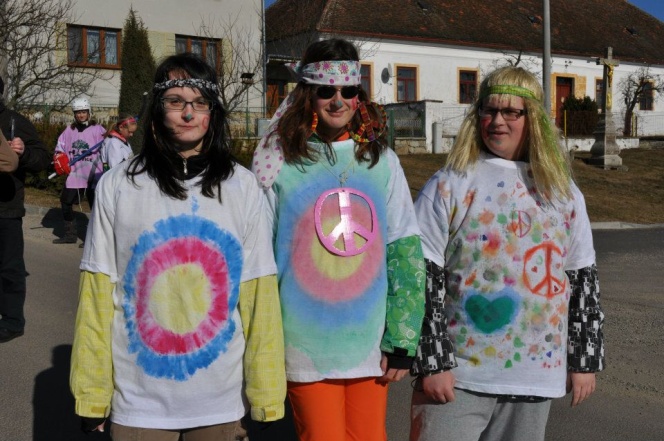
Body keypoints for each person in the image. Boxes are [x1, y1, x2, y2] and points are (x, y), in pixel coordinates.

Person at [70, 53, 286, 440]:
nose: (188, 113)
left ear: (212, 113)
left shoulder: (242, 186)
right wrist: (92, 395)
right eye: (175, 101)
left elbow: (259, 295)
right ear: (158, 108)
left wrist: (266, 393)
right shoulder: (118, 184)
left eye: (200, 102)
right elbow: (97, 295)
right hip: (139, 404)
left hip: (220, 402)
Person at [410, 66, 605, 441]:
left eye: (511, 112)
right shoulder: (452, 182)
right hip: (458, 376)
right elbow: (421, 272)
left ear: (533, 120)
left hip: (533, 377)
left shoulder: (562, 192)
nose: (497, 121)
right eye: (489, 110)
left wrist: (584, 359)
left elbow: (582, 278)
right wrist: (432, 360)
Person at [252, 38, 426, 441]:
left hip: (369, 343)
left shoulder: (380, 160)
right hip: (304, 342)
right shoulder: (279, 162)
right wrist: (263, 341)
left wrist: (402, 336)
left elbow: (404, 249)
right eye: (325, 91)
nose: (338, 101)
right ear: (307, 94)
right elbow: (258, 257)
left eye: (348, 90)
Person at [0, 75, 51, 343]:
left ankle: (12, 321)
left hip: (6, 208)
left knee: (9, 268)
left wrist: (23, 152)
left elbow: (42, 158)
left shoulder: (14, 121)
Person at [52, 97, 105, 245]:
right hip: (75, 173)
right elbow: (60, 148)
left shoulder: (98, 130)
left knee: (95, 207)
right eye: (78, 112)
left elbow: (107, 149)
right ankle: (70, 235)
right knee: (65, 202)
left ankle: (95, 239)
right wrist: (60, 158)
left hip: (93, 174)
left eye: (83, 112)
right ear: (74, 114)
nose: (81, 115)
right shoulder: (69, 130)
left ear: (89, 112)